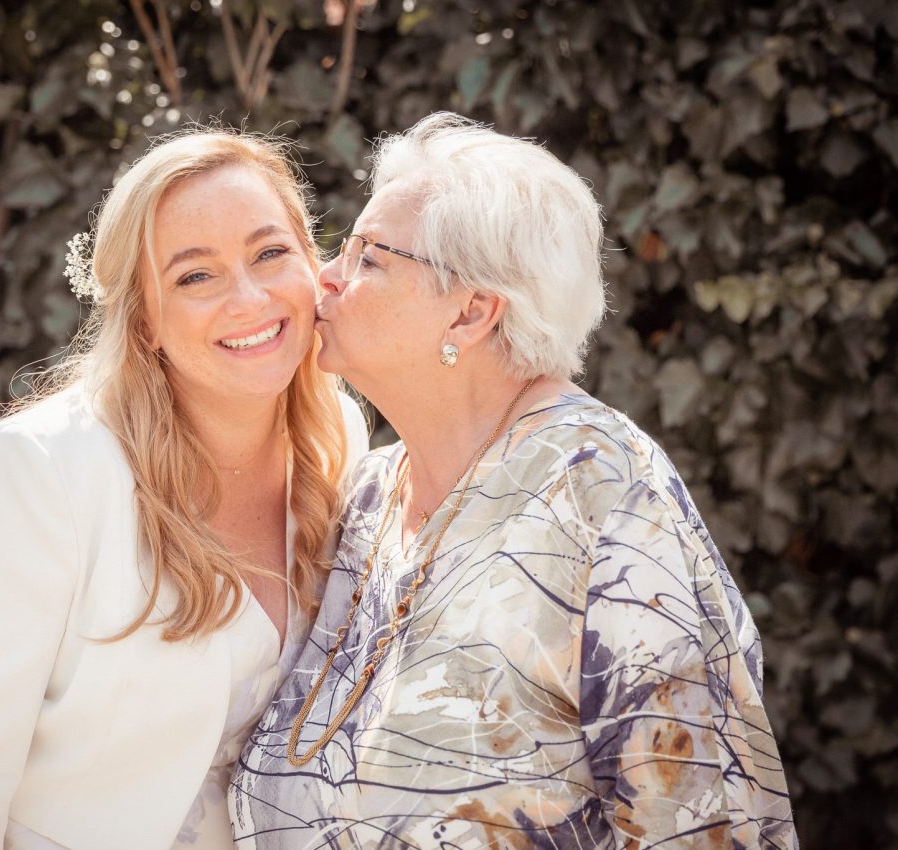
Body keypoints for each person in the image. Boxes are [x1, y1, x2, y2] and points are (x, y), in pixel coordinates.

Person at [232, 113, 798, 849]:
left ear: (470, 312)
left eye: (368, 258)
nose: (325, 279)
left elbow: (702, 822)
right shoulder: (365, 494)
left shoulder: (600, 492)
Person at [0, 128, 368, 850]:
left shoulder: (337, 439)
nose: (249, 298)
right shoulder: (37, 472)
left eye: (270, 253)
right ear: (144, 319)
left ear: (313, 264)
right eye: (195, 276)